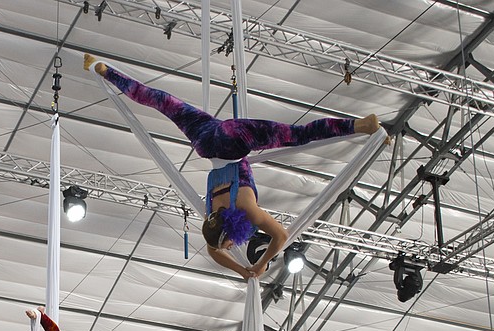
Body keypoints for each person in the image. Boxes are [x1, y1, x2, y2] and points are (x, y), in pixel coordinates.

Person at [84, 53, 381, 279]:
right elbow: (214, 251)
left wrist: (258, 265)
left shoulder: (245, 207)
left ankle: (361, 125)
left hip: (233, 138)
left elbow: (281, 236)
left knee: (298, 135)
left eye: (229, 246)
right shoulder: (212, 214)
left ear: (229, 234)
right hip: (205, 143)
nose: (228, 249)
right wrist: (241, 271)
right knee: (161, 102)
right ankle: (106, 71)